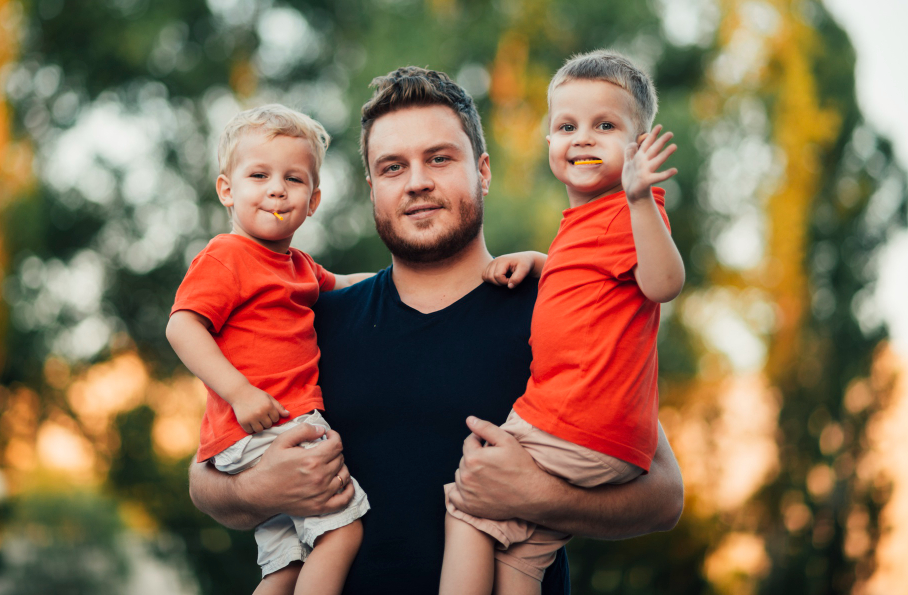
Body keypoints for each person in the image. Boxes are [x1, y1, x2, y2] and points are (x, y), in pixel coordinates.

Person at [187, 67, 685, 595]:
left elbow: (664, 494)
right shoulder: (310, 322)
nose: (417, 181)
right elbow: (205, 478)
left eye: (440, 158)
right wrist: (260, 488)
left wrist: (541, 496)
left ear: (483, 171)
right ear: (372, 187)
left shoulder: (559, 304)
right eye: (393, 167)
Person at [439, 50, 685, 595]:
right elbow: (597, 284)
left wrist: (641, 198)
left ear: (639, 147)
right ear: (549, 142)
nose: (584, 138)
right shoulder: (587, 222)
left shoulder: (631, 209)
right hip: (602, 437)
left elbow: (661, 283)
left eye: (606, 126)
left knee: (470, 502)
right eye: (566, 126)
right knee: (523, 552)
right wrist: (539, 262)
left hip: (571, 421)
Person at [166, 105, 372, 595]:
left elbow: (344, 284)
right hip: (273, 421)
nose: (277, 189)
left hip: (262, 430)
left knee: (285, 565)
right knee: (343, 531)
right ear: (227, 190)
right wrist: (241, 392)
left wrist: (397, 281)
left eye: (293, 179)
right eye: (259, 175)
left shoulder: (299, 266)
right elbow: (182, 327)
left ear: (313, 199)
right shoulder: (226, 256)